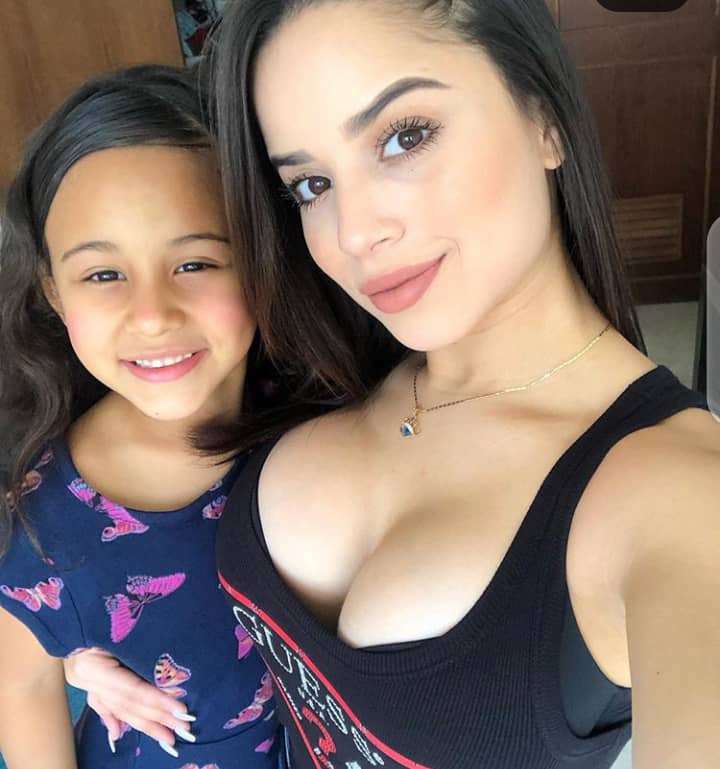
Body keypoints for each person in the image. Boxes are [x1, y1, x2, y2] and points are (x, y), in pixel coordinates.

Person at [64, 2, 720, 768]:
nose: (353, 233)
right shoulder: (317, 359)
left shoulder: (675, 497)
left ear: (545, 115)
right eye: (311, 184)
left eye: (404, 137)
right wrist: (82, 649)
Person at [0, 65, 281, 769]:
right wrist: (72, 655)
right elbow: (22, 687)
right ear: (54, 292)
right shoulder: (42, 521)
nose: (152, 315)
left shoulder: (331, 411)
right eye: (103, 274)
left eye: (196, 263)